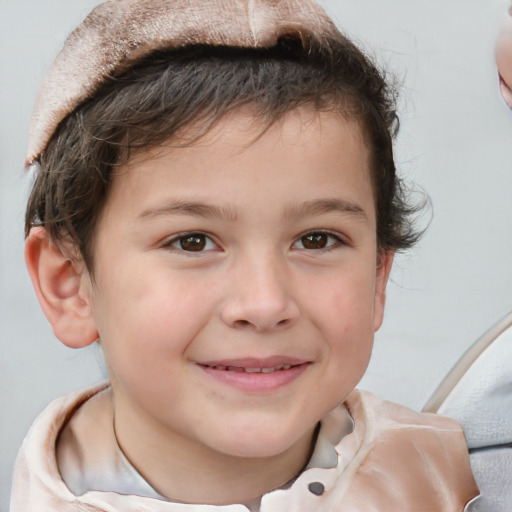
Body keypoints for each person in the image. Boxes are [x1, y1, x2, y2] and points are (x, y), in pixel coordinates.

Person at [10, 0, 479, 510]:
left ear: (377, 277)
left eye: (317, 239)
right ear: (70, 285)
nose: (264, 304)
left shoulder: (452, 475)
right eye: (192, 241)